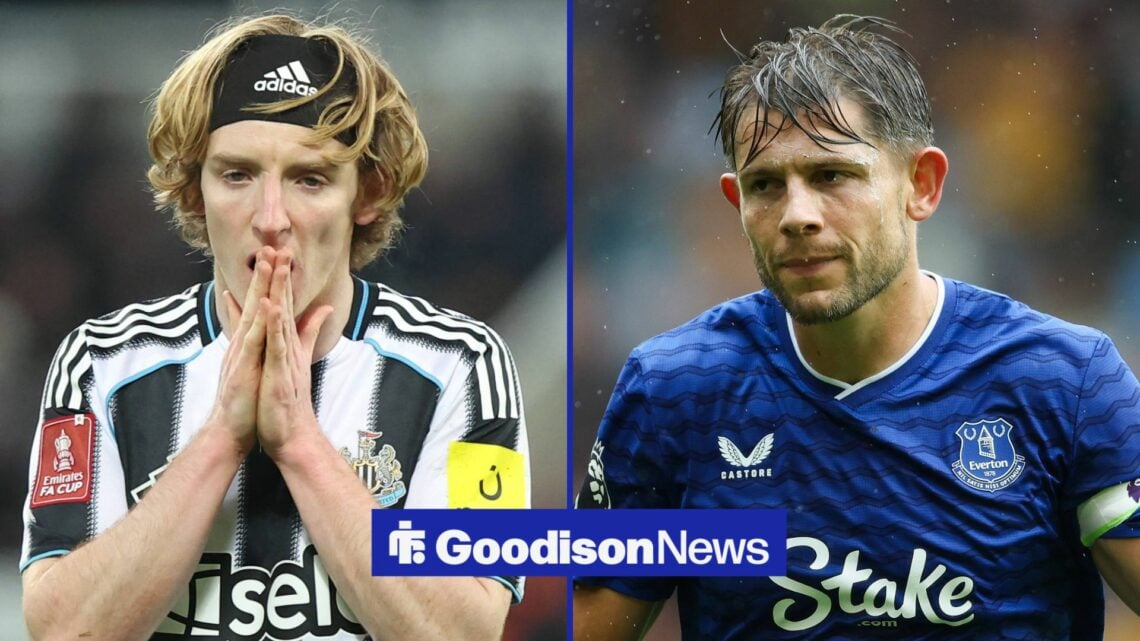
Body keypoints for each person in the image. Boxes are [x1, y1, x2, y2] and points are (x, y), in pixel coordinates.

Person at [574, 14, 1140, 640]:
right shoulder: (674, 391)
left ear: (920, 185)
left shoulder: (1063, 382)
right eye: (766, 185)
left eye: (831, 176)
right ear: (737, 204)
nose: (797, 215)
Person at [20, 13, 529, 641]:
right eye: (236, 175)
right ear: (195, 188)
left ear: (367, 191)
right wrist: (220, 441)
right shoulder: (102, 361)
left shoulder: (462, 363)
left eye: (309, 179)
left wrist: (299, 444)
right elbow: (62, 632)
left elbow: (467, 631)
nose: (270, 218)